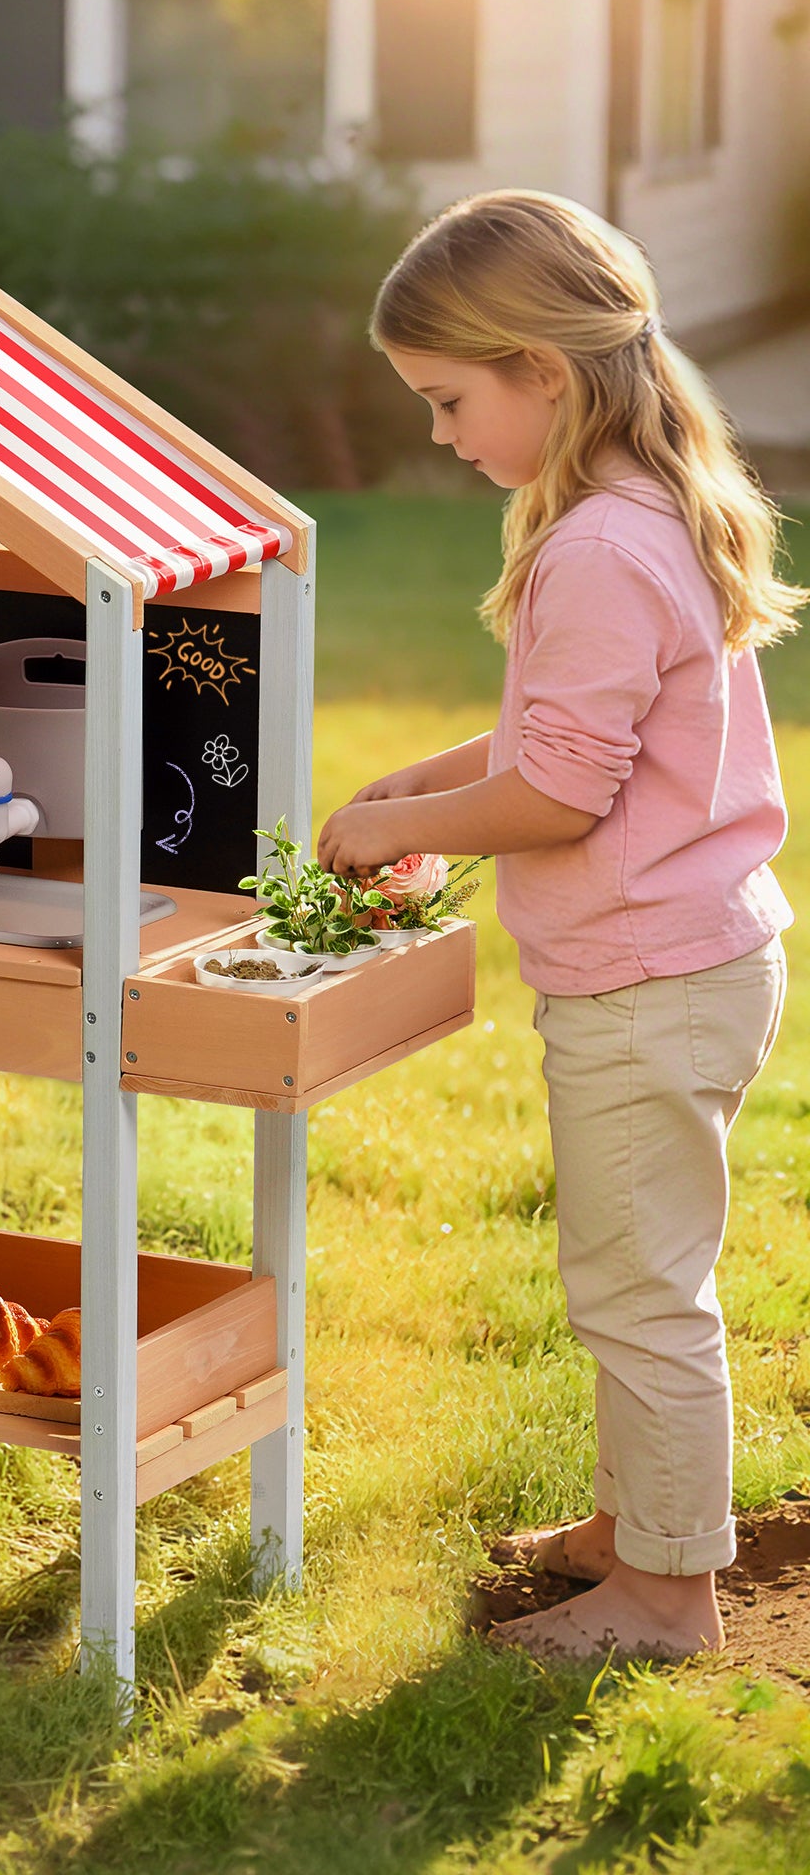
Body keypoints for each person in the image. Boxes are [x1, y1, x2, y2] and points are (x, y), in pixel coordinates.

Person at [319, 191, 797, 1659]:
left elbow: (568, 798)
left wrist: (393, 828)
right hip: (690, 956)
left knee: (639, 1293)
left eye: (452, 401)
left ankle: (666, 1597)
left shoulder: (597, 547)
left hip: (650, 978)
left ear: (542, 367)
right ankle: (631, 1528)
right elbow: (575, 734)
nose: (446, 436)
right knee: (631, 1268)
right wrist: (441, 768)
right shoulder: (640, 510)